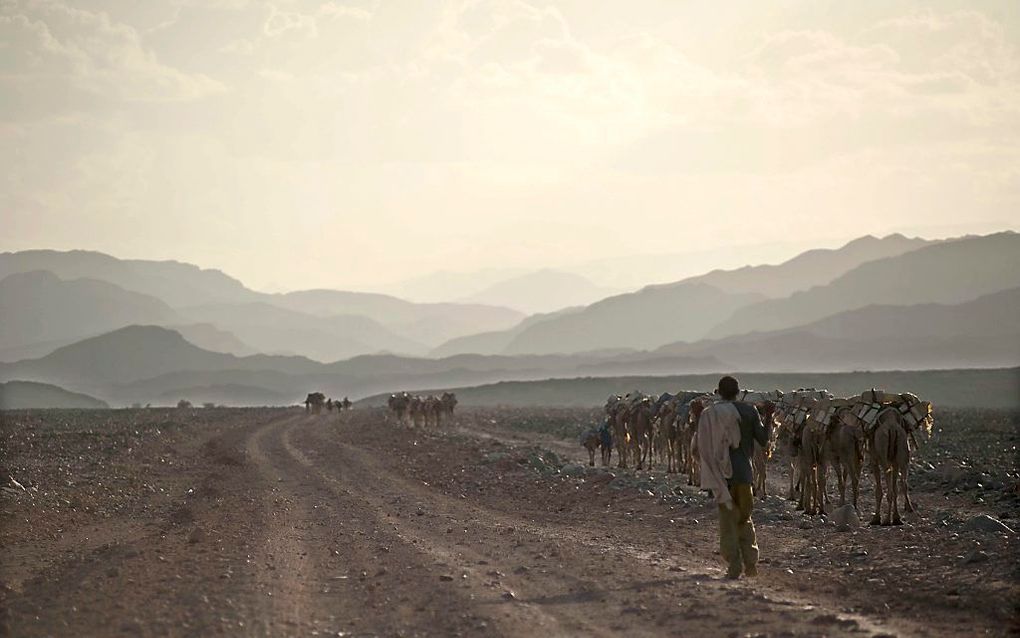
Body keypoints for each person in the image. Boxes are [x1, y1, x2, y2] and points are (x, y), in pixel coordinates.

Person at [697, 375, 769, 579]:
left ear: (718, 392)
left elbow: (702, 444)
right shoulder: (749, 411)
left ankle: (735, 565)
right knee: (745, 519)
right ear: (739, 392)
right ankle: (751, 564)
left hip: (722, 479)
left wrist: (696, 417)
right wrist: (770, 417)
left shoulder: (709, 414)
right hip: (745, 476)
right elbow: (763, 440)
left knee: (728, 520)